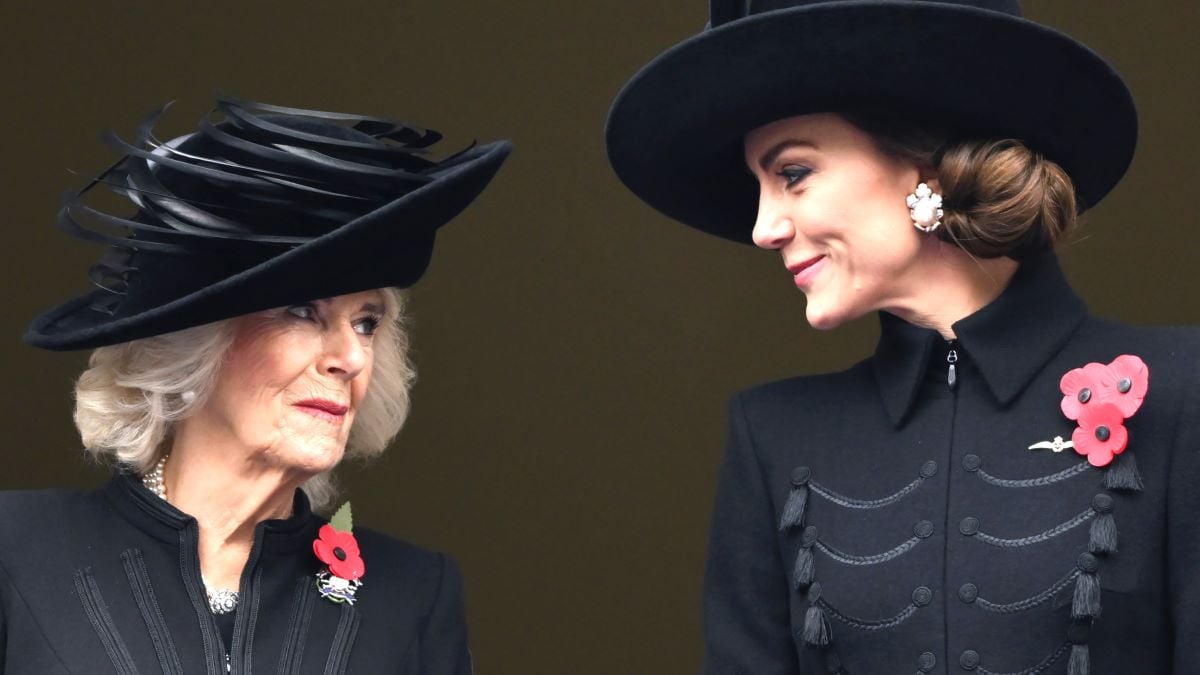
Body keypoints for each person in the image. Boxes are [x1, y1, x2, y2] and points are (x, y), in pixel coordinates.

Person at [606, 1, 1197, 673]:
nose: (763, 226)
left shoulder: (1182, 393)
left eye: (793, 173)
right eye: (760, 187)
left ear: (928, 169)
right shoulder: (771, 435)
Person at [2, 96, 511, 673]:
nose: (349, 356)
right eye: (302, 311)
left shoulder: (412, 594)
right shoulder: (16, 549)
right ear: (194, 342)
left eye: (366, 323)